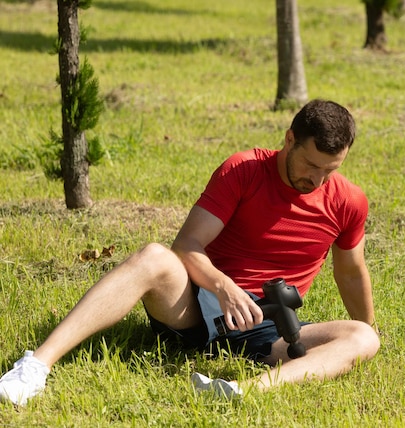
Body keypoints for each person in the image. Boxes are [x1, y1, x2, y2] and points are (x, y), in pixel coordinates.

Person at [0, 99, 380, 406]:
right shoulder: (243, 170)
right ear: (289, 139)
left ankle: (243, 391)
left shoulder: (348, 201)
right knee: (153, 255)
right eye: (310, 165)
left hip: (266, 330)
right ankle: (34, 367)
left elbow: (350, 273)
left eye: (329, 170)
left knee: (363, 338)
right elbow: (186, 246)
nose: (316, 180)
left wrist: (370, 330)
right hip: (198, 307)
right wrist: (223, 286)